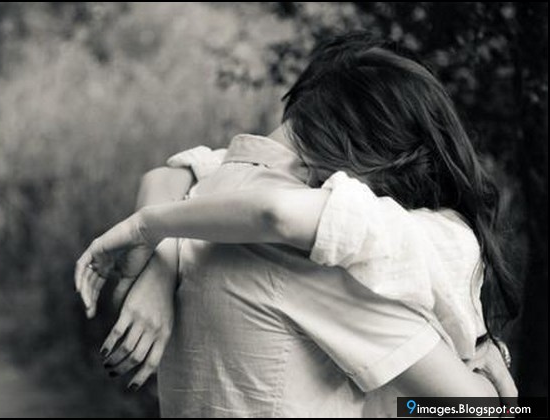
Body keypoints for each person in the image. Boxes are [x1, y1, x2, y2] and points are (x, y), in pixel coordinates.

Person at [75, 33, 518, 417]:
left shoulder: (207, 194)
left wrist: (159, 243)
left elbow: (178, 174)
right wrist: (484, 357)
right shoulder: (318, 250)